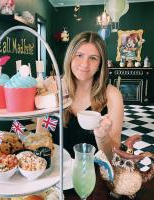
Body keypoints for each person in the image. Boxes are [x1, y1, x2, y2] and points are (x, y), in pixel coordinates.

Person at [37, 31, 124, 159]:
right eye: (79, 55)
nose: (84, 64)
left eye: (93, 58)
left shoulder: (112, 95)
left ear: (100, 64)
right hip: (56, 173)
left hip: (92, 175)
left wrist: (102, 137)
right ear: (70, 57)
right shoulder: (51, 88)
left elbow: (112, 156)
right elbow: (40, 139)